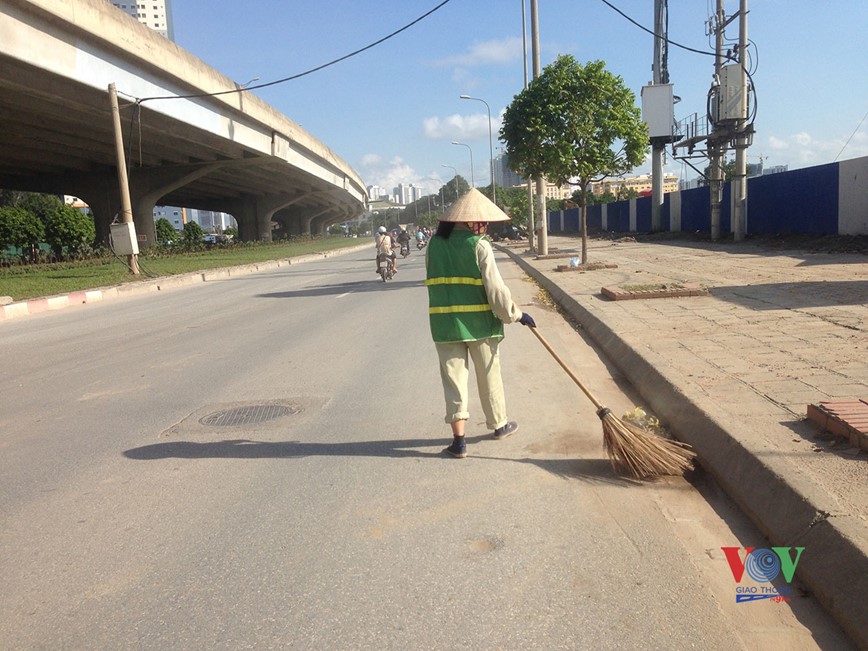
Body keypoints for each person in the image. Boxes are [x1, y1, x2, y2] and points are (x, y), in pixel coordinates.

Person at [424, 188, 536, 458]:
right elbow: (495, 291)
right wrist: (516, 315)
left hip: (445, 325)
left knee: (453, 381)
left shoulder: (434, 245)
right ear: (470, 221)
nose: (484, 226)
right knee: (489, 375)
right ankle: (499, 425)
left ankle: (459, 441)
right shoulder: (479, 244)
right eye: (481, 221)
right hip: (480, 325)